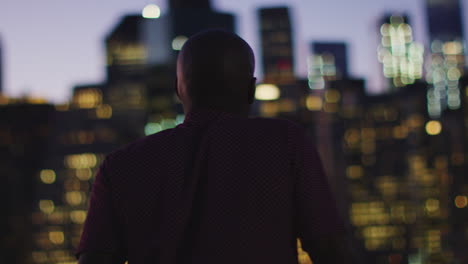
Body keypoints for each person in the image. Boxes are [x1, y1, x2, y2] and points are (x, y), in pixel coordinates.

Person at [77, 30, 354, 264]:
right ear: (251, 89)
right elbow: (329, 248)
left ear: (179, 89)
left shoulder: (121, 166)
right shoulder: (285, 143)